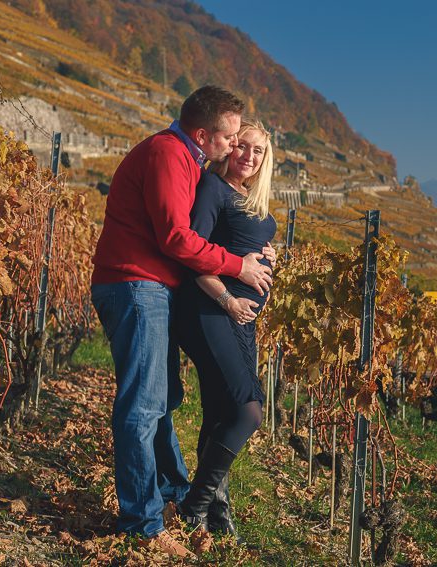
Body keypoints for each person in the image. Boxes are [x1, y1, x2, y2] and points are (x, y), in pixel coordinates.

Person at [90, 86, 273, 557]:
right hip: (136, 286)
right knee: (143, 405)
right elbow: (176, 237)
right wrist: (239, 267)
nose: (236, 146)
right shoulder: (169, 154)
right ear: (202, 134)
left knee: (163, 398)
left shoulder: (186, 159)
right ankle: (142, 525)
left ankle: (171, 496)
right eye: (231, 137)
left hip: (153, 289)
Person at [175, 119, 277, 543]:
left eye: (258, 152)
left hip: (241, 324)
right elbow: (193, 254)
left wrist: (270, 260)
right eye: (243, 147)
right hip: (212, 310)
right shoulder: (213, 190)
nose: (249, 157)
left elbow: (243, 250)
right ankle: (193, 505)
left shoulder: (256, 207)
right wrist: (229, 301)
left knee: (219, 412)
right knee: (247, 411)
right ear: (231, 148)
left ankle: (217, 509)